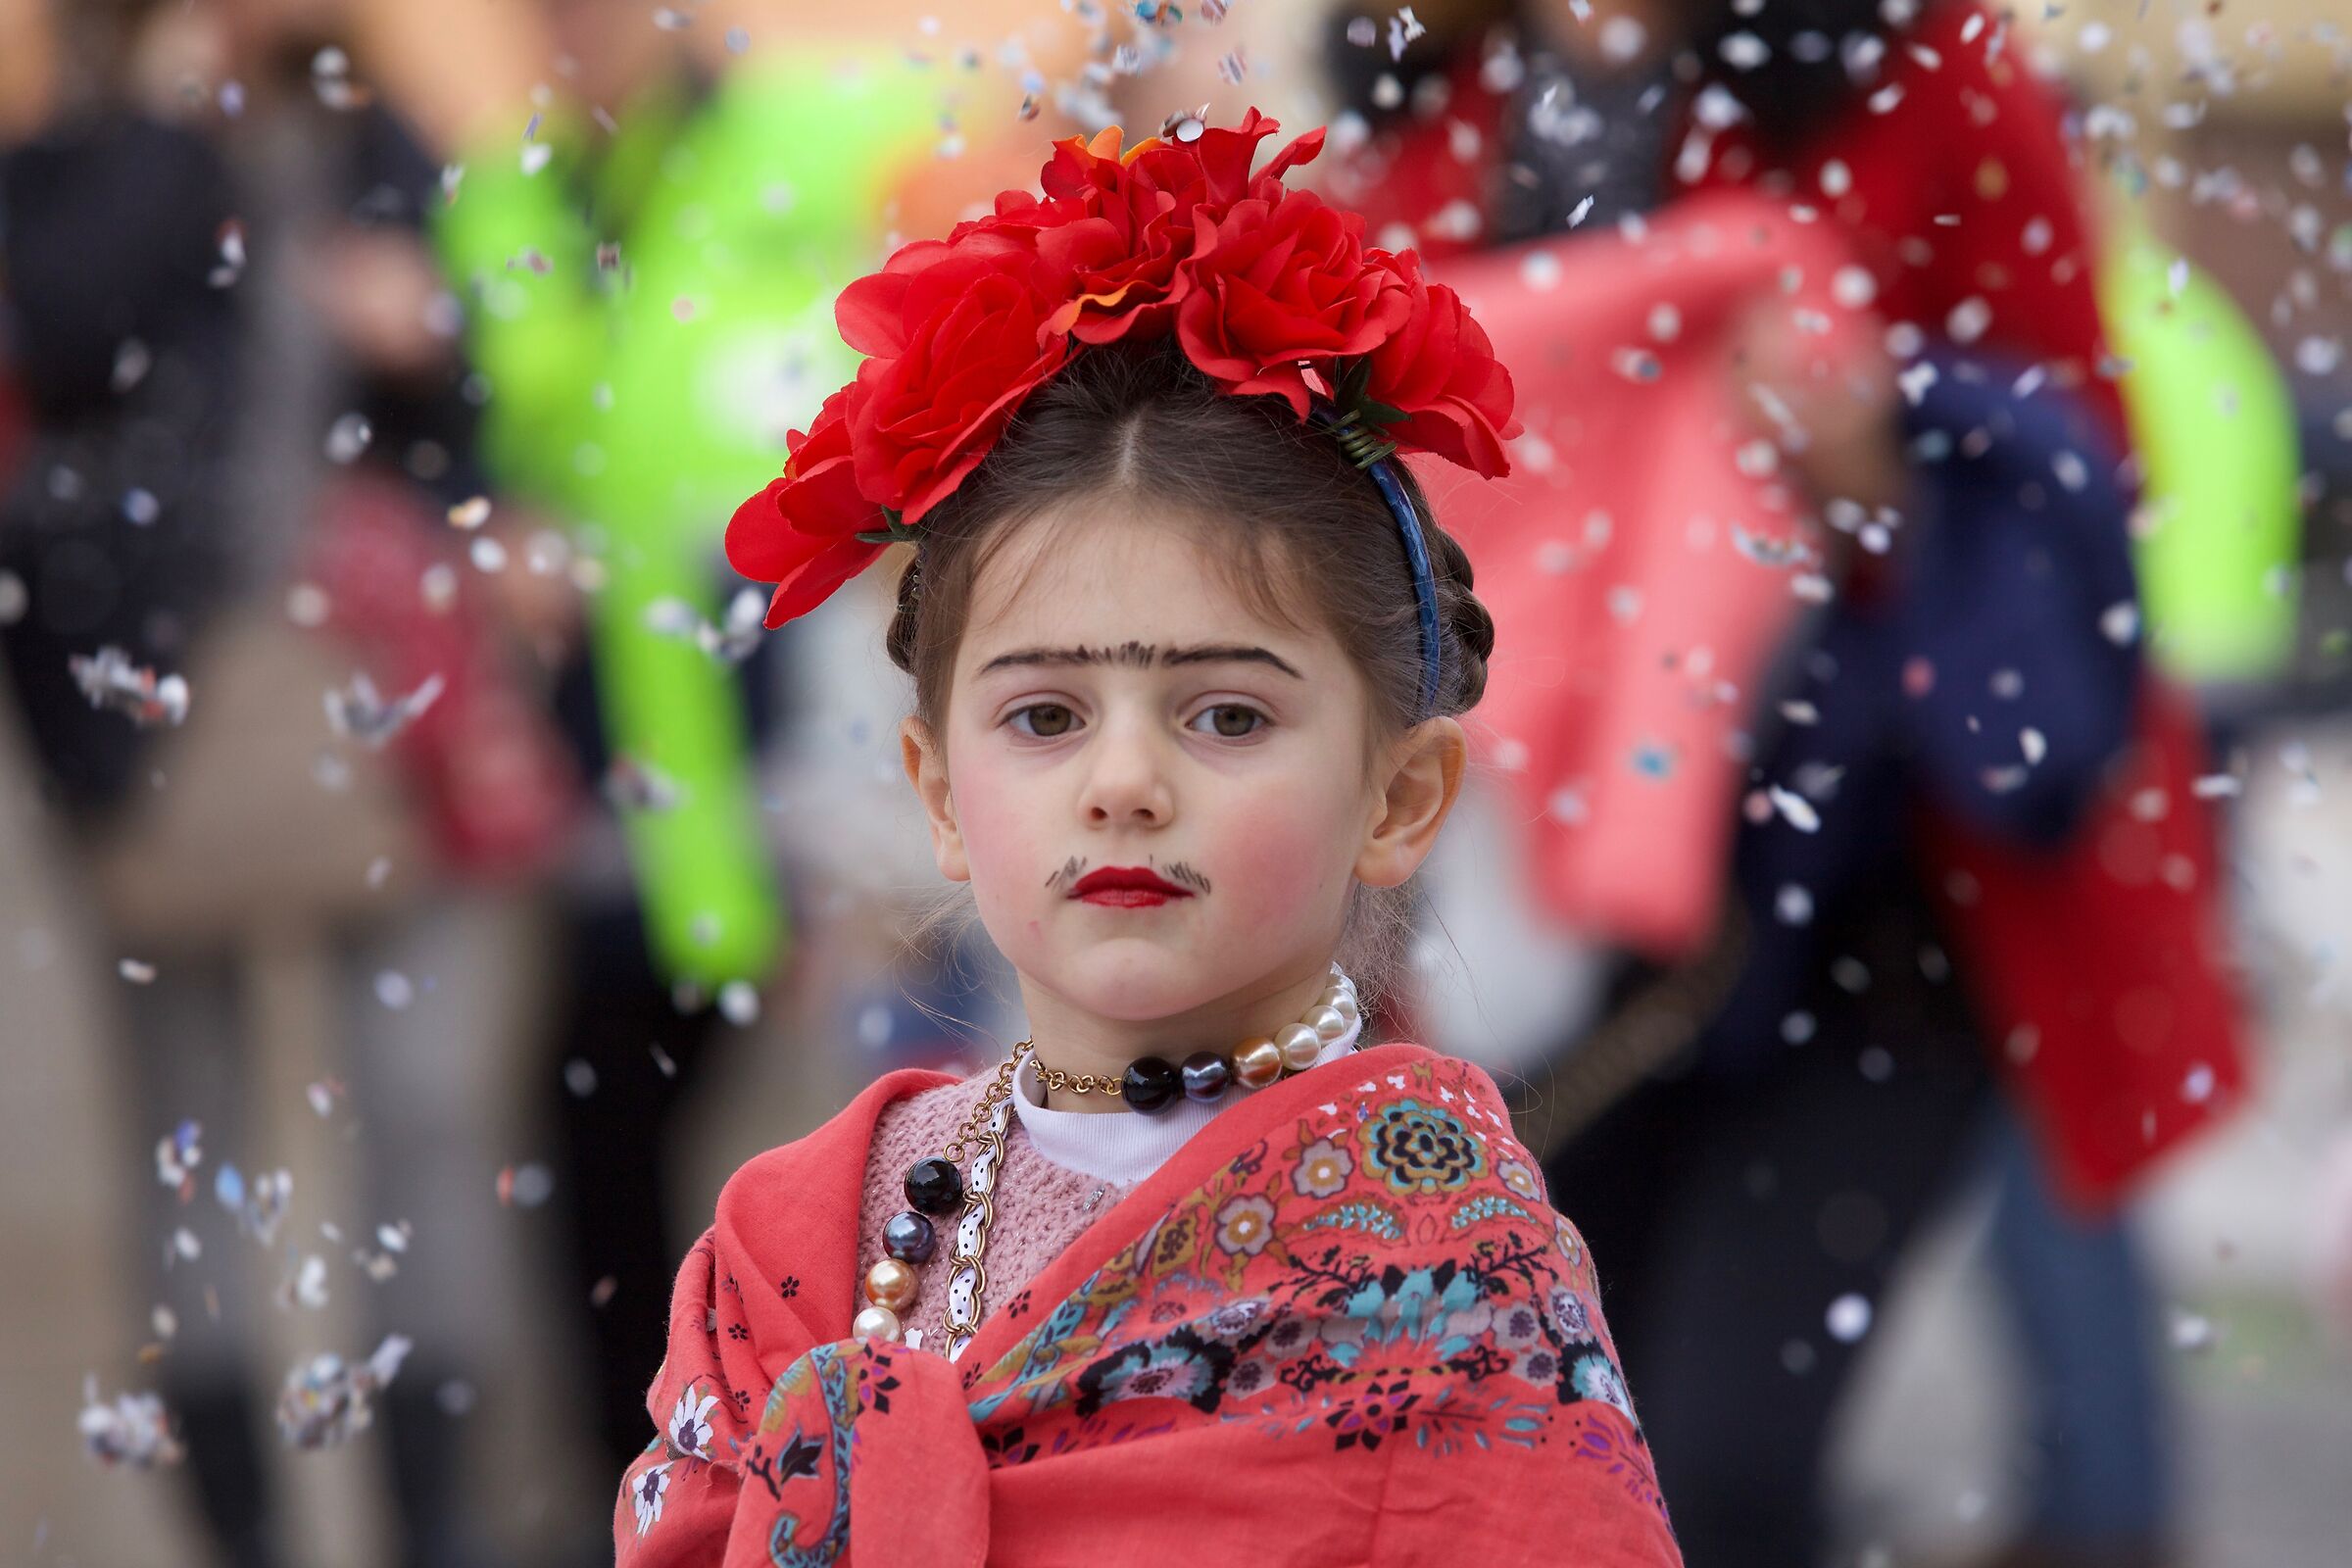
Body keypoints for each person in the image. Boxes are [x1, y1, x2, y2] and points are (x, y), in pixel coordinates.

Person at [611, 111, 1685, 1566]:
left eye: (1227, 717)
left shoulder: (1448, 1278)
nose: (1124, 783)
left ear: (1402, 798)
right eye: (1044, 718)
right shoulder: (795, 1249)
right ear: (935, 790)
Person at [1326, 4, 2247, 1565]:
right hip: (1538, 914)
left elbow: (2073, 481)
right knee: (1539, 1445)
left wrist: (1874, 457)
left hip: (1874, 924)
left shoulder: (1926, 72)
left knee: (1723, 1468)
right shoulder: (1444, 83)